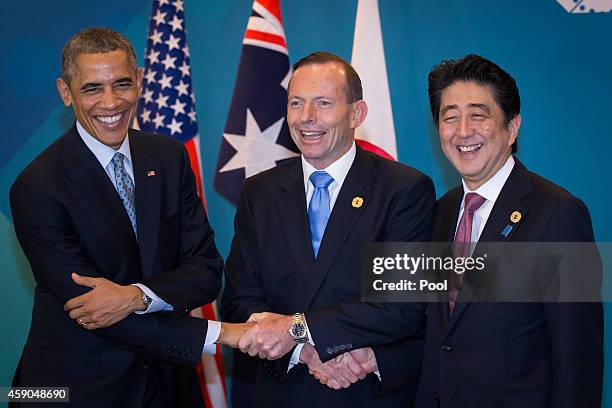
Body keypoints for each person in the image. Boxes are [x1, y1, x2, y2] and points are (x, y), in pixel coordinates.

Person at [267, 54, 603, 408]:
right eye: (449, 117)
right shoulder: (437, 213)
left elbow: (577, 356)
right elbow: (434, 333)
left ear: (512, 127)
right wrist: (376, 359)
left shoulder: (559, 213)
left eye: (478, 115)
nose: (462, 131)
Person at [10, 27, 245, 407]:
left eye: (121, 84)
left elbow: (204, 272)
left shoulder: (168, 157)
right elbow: (92, 309)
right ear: (65, 92)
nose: (111, 102)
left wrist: (136, 296)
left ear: (138, 81)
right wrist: (221, 335)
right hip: (73, 390)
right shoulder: (37, 185)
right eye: (91, 88)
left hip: (171, 386)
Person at [221, 51, 434, 407]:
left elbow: (403, 306)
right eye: (296, 103)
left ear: (356, 114)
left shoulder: (404, 189)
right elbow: (239, 303)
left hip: (365, 394)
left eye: (323, 103)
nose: (306, 118)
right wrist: (303, 352)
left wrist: (298, 329)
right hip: (283, 392)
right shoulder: (258, 193)